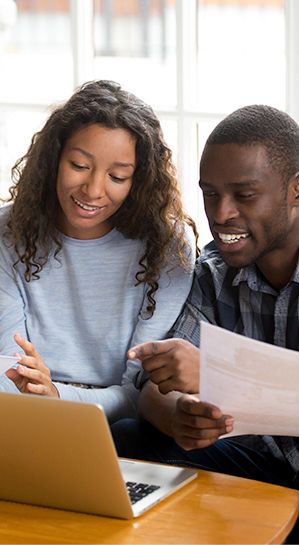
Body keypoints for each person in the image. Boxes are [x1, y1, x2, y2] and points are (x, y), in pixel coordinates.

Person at [111, 104, 299, 491]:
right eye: (210, 194)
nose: (222, 213)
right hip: (261, 468)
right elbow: (150, 391)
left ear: (296, 190)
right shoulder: (214, 272)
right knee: (128, 435)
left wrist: (220, 373)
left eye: (244, 195)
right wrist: (180, 413)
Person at [0, 79, 198, 423]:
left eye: (117, 177)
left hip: (120, 427)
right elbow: (9, 371)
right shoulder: (9, 231)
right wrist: (39, 395)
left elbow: (139, 393)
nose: (93, 190)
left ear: (139, 181)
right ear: (54, 159)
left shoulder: (168, 246)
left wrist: (57, 396)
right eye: (78, 166)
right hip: (23, 416)